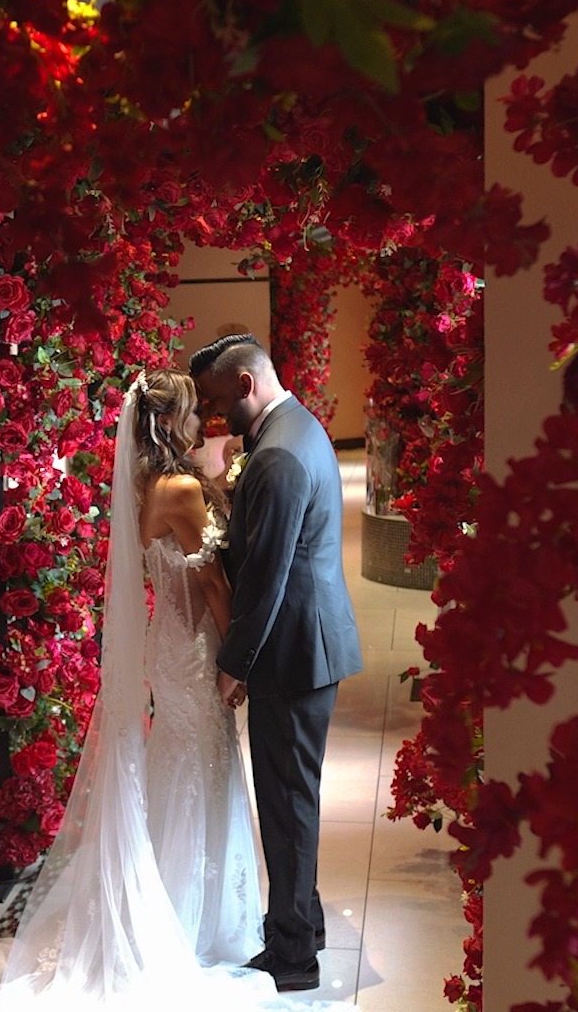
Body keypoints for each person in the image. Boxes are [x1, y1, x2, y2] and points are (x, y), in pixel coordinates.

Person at [0, 369, 273, 1009]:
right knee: (205, 761)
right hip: (196, 647)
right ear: (171, 422)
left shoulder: (144, 485)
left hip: (164, 645)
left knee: (178, 759)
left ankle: (171, 892)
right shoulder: (180, 489)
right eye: (195, 413)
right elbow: (215, 587)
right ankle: (195, 919)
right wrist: (238, 661)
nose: (204, 424)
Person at [190, 334, 364, 993]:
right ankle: (303, 922)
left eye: (214, 401)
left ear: (243, 386)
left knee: (287, 803)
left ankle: (293, 954)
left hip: (293, 652)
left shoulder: (281, 454)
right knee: (295, 799)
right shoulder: (297, 427)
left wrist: (235, 663)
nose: (212, 416)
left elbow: (267, 575)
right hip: (308, 646)